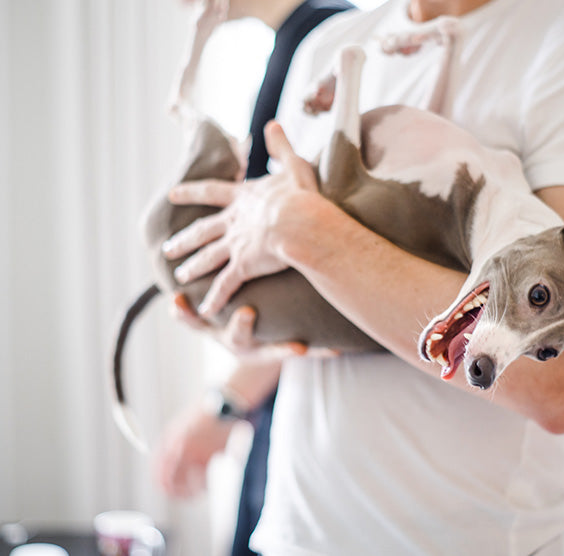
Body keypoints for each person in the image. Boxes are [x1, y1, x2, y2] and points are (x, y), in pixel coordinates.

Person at [163, 0, 564, 553]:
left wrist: (307, 233)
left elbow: (562, 381)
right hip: (297, 533)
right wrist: (248, 335)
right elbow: (322, 283)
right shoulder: (325, 44)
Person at [152, 1, 352, 555]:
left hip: (313, 406)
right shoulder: (295, 44)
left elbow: (322, 268)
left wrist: (227, 400)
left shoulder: (321, 40)